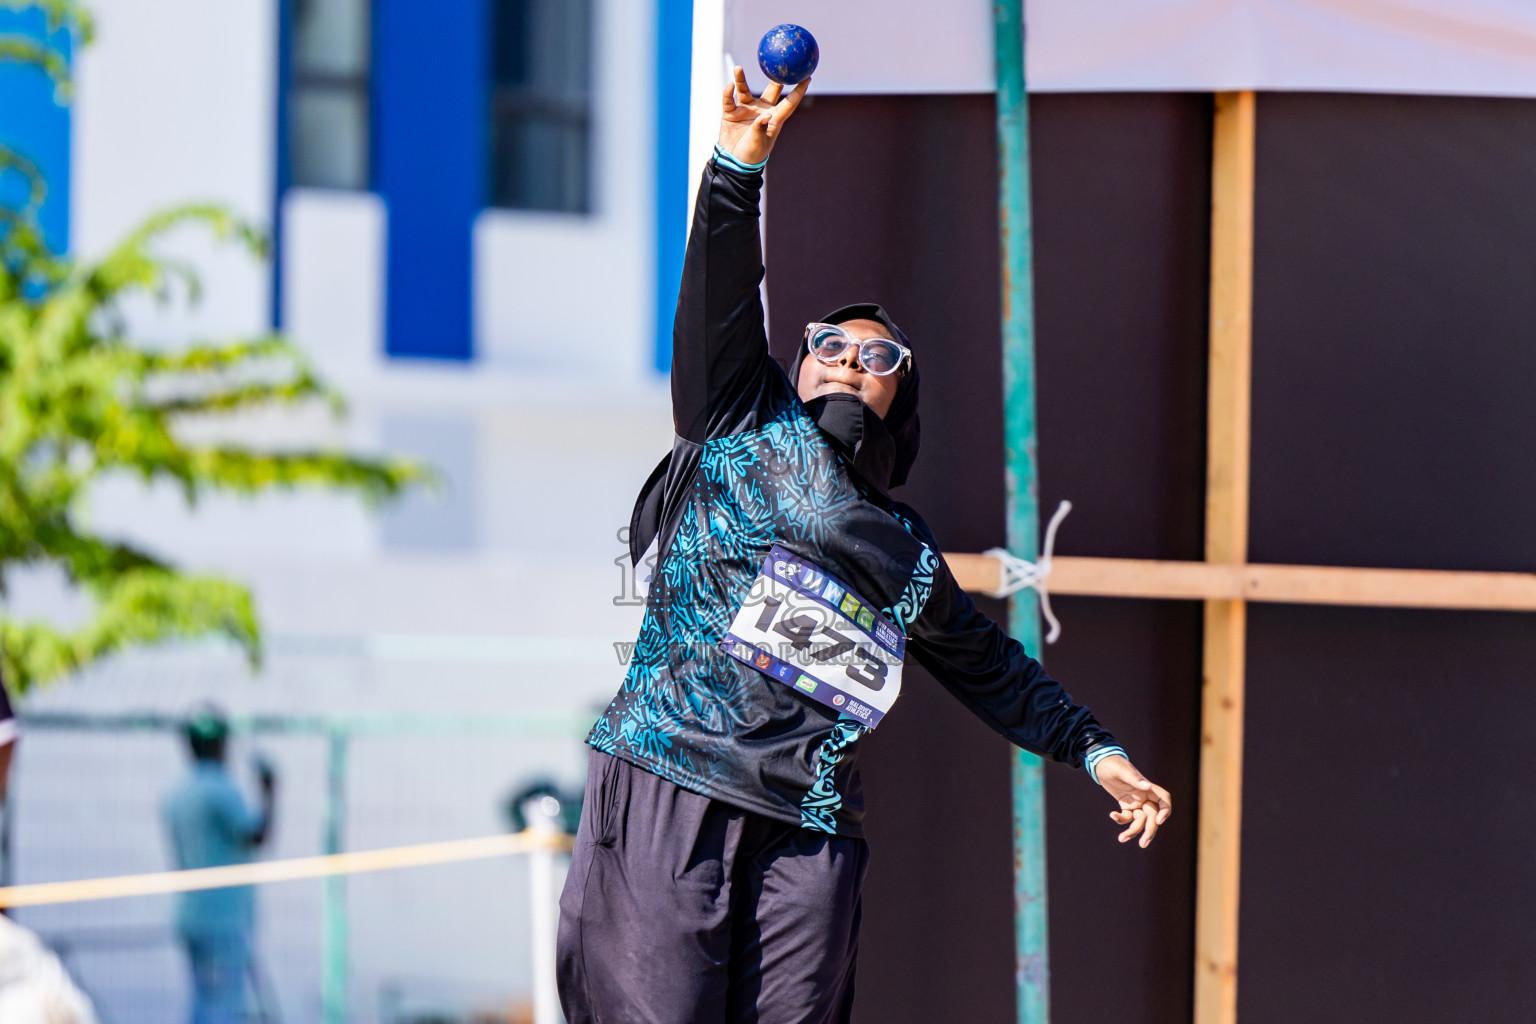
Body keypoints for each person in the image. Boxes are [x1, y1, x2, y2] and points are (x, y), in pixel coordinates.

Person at [556, 70, 1172, 1024]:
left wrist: (1098, 752)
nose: (849, 356)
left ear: (902, 398)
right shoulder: (737, 419)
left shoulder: (908, 553)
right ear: (793, 367)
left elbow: (993, 671)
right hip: (673, 782)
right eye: (828, 343)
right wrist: (738, 165)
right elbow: (721, 288)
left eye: (878, 354)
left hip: (811, 833)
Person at [162, 706, 274, 1024]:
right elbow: (256, 835)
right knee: (223, 1008)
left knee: (203, 1004)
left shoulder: (178, 792)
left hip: (193, 916)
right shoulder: (220, 788)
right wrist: (270, 793)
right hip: (222, 919)